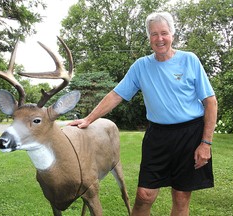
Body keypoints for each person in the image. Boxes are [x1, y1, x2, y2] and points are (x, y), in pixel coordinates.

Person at [68, 11, 217, 216]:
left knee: (181, 197)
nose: (159, 38)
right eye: (154, 34)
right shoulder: (141, 66)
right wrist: (88, 118)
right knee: (144, 195)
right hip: (157, 136)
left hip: (190, 135)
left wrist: (205, 143)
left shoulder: (189, 60)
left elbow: (210, 102)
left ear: (172, 35)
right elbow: (116, 95)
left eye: (164, 33)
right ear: (149, 38)